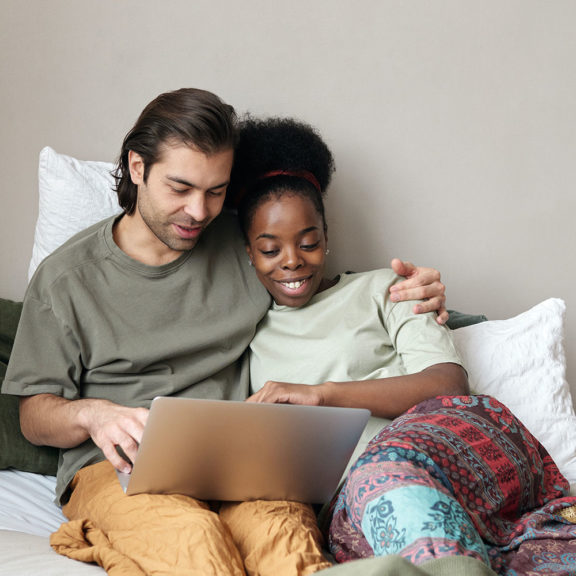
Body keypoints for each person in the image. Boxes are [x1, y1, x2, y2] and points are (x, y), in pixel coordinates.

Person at [1, 88, 449, 576]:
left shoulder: (243, 245)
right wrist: (92, 414)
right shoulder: (67, 278)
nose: (199, 211)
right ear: (136, 168)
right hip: (118, 469)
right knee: (196, 544)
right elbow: (33, 416)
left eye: (216, 191)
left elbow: (315, 281)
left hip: (239, 461)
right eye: (180, 188)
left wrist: (416, 293)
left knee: (286, 543)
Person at [224, 116, 576, 575]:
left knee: (383, 478)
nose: (292, 261)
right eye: (270, 250)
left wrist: (321, 395)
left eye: (308, 242)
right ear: (249, 252)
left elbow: (448, 382)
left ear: (327, 238)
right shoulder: (251, 339)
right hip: (353, 496)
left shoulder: (387, 288)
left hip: (452, 440)